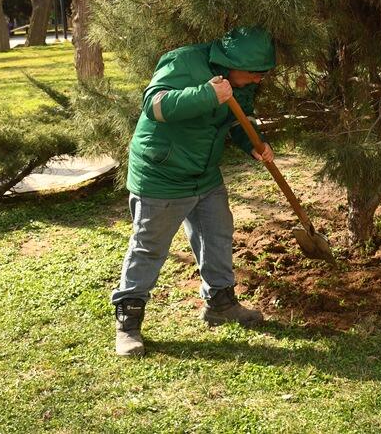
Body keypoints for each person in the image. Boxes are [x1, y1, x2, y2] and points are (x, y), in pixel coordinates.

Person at [111, 26, 276, 357]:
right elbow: (155, 106)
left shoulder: (240, 80)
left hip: (205, 174)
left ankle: (220, 303)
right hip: (163, 174)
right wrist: (206, 94)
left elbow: (235, 120)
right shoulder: (183, 62)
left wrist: (252, 144)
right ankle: (128, 323)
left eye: (263, 74)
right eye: (255, 74)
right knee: (149, 249)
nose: (258, 80)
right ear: (232, 62)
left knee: (217, 235)